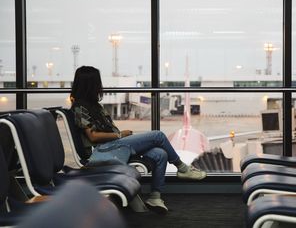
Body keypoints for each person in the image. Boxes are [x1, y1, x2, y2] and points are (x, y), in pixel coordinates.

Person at [70, 66, 206, 214]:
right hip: (103, 150)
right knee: (157, 135)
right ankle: (182, 168)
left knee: (160, 154)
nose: (100, 86)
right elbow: (93, 136)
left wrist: (121, 137)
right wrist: (120, 135)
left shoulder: (94, 106)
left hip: (113, 146)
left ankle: (155, 197)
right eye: (97, 82)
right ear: (90, 84)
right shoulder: (80, 107)